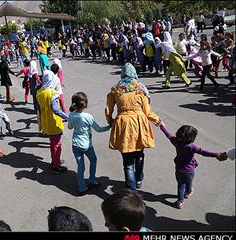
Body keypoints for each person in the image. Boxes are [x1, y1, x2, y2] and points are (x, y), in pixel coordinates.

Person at [105, 63, 161, 191]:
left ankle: (131, 188)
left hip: (123, 123)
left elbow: (108, 109)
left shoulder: (116, 89)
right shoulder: (140, 88)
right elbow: (147, 112)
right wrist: (158, 121)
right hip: (139, 123)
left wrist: (110, 121)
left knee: (127, 158)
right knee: (139, 153)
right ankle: (139, 177)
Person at [159, 122, 227, 208]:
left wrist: (162, 127)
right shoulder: (192, 147)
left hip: (179, 169)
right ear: (192, 138)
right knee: (189, 182)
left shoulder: (176, 142)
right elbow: (204, 152)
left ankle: (180, 202)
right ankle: (188, 192)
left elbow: (168, 135)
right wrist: (216, 154)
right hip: (189, 171)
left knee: (180, 185)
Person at [68, 92, 110, 196]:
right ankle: (92, 180)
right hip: (87, 145)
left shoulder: (71, 115)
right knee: (93, 159)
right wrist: (109, 127)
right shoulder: (88, 117)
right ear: (85, 104)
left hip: (75, 144)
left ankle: (82, 188)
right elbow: (98, 129)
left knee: (80, 167)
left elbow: (69, 127)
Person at [36, 71, 68, 174]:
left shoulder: (39, 92)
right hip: (54, 122)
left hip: (45, 122)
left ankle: (54, 161)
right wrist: (67, 117)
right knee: (57, 144)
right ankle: (56, 166)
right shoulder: (53, 93)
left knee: (52, 143)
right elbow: (55, 109)